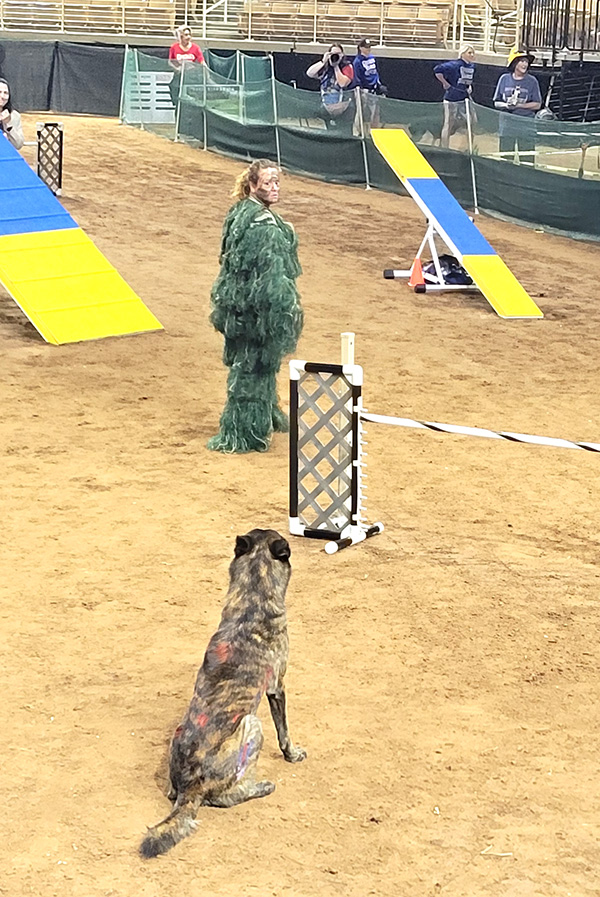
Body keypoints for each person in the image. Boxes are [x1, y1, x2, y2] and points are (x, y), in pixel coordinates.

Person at [208, 160, 303, 454]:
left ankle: (267, 412)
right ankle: (241, 432)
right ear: (252, 184)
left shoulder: (240, 212)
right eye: (268, 183)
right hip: (253, 312)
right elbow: (271, 279)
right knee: (252, 367)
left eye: (277, 183)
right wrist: (285, 315)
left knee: (256, 365)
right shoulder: (265, 227)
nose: (274, 188)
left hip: (234, 304)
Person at [493, 48, 542, 165]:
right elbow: (496, 102)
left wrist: (520, 105)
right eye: (522, 61)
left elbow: (537, 104)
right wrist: (507, 105)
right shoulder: (504, 79)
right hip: (507, 127)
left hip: (526, 127)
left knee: (527, 162)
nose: (525, 64)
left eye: (526, 61)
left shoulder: (532, 81)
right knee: (505, 160)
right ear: (514, 63)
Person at [433, 45, 476, 148]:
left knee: (473, 120)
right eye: (469, 53)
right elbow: (437, 70)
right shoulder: (455, 65)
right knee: (448, 122)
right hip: (452, 98)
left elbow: (468, 79)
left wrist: (469, 87)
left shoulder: (472, 66)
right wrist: (445, 83)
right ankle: (445, 146)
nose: (472, 55)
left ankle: (468, 146)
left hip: (465, 98)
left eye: (473, 53)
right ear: (463, 54)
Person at [306, 44, 354, 132]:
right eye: (333, 53)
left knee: (345, 132)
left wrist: (336, 66)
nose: (335, 56)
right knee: (330, 132)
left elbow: (342, 83)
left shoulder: (347, 67)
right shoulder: (326, 68)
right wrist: (323, 62)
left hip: (344, 108)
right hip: (327, 107)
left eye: (338, 54)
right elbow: (310, 73)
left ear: (342, 55)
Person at [352, 38, 386, 135]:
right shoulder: (357, 61)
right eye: (366, 47)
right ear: (361, 48)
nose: (368, 49)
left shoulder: (372, 58)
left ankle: (374, 133)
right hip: (364, 90)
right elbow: (357, 77)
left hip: (374, 89)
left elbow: (375, 73)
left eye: (369, 47)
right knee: (361, 112)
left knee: (375, 112)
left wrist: (379, 84)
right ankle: (358, 132)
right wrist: (360, 89)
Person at [168, 26, 205, 108]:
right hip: (179, 75)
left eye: (189, 35)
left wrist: (204, 70)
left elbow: (201, 61)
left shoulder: (196, 48)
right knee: (172, 86)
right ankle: (177, 104)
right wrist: (177, 69)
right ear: (181, 36)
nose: (188, 37)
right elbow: (170, 62)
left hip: (191, 76)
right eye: (186, 35)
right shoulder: (174, 47)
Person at [0, 78, 24, 151]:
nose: (2, 96)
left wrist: (8, 124)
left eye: (6, 93)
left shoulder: (15, 116)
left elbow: (18, 144)